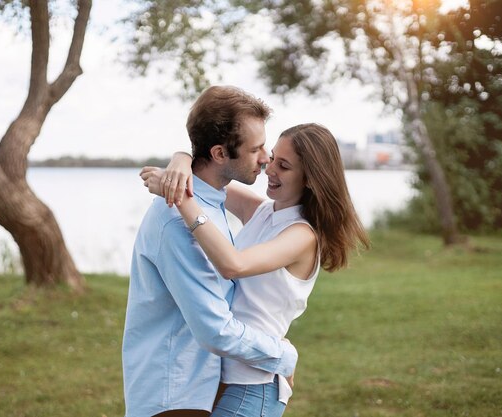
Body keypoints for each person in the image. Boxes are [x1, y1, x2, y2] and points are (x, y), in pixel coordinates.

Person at [141, 122, 370, 416]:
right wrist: (181, 158)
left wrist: (182, 200)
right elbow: (210, 179)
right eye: (273, 157)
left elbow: (232, 265)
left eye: (284, 166)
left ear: (310, 179)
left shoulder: (302, 236)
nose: (269, 168)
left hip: (256, 384)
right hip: (225, 376)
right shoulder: (263, 211)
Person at [122, 86, 299, 417]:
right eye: (256, 149)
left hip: (196, 388)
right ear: (219, 154)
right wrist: (283, 356)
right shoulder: (180, 220)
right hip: (174, 395)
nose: (266, 159)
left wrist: (182, 157)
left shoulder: (205, 201)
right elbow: (214, 330)